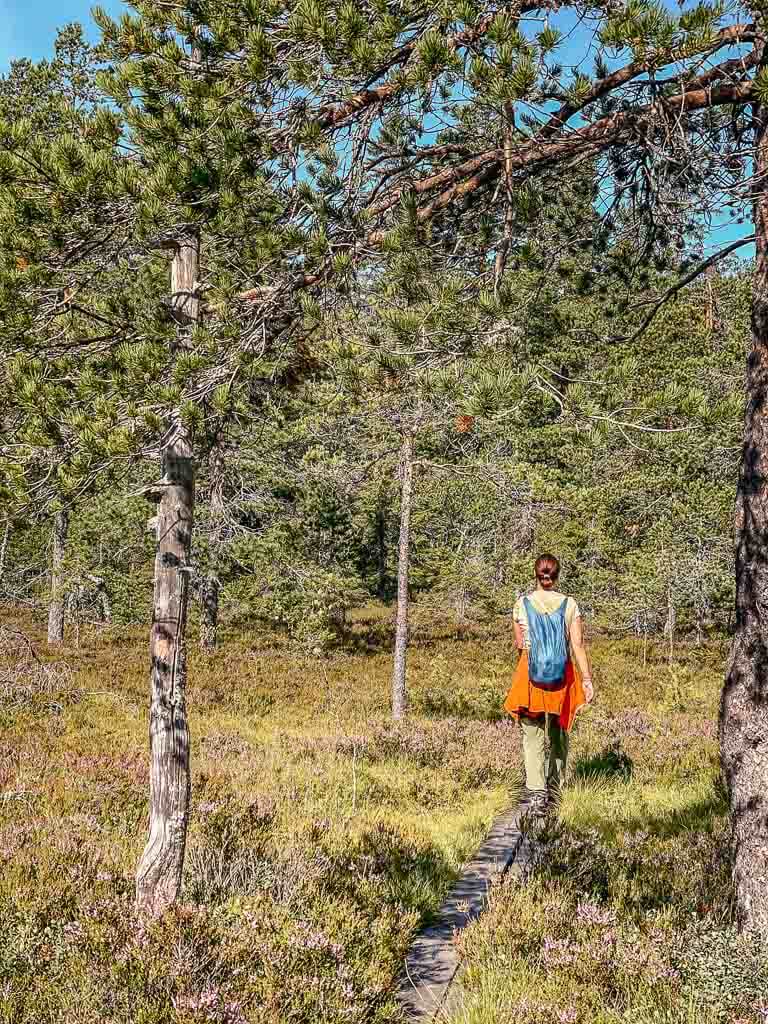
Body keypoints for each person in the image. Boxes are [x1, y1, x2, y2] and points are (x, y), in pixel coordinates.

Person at [504, 553, 594, 813]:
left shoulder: (521, 604)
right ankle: (554, 788)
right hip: (561, 678)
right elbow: (577, 645)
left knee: (532, 733)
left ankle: (536, 793)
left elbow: (520, 645)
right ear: (556, 576)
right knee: (558, 733)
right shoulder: (570, 605)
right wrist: (586, 679)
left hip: (530, 676)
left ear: (537, 574)